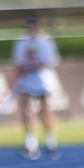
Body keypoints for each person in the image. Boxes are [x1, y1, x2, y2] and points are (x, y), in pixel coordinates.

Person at [11, 14, 59, 159]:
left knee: (46, 110)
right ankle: (31, 142)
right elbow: (18, 62)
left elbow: (50, 60)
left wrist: (33, 65)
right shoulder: (21, 42)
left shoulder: (46, 42)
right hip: (27, 79)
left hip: (42, 79)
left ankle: (51, 141)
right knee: (27, 110)